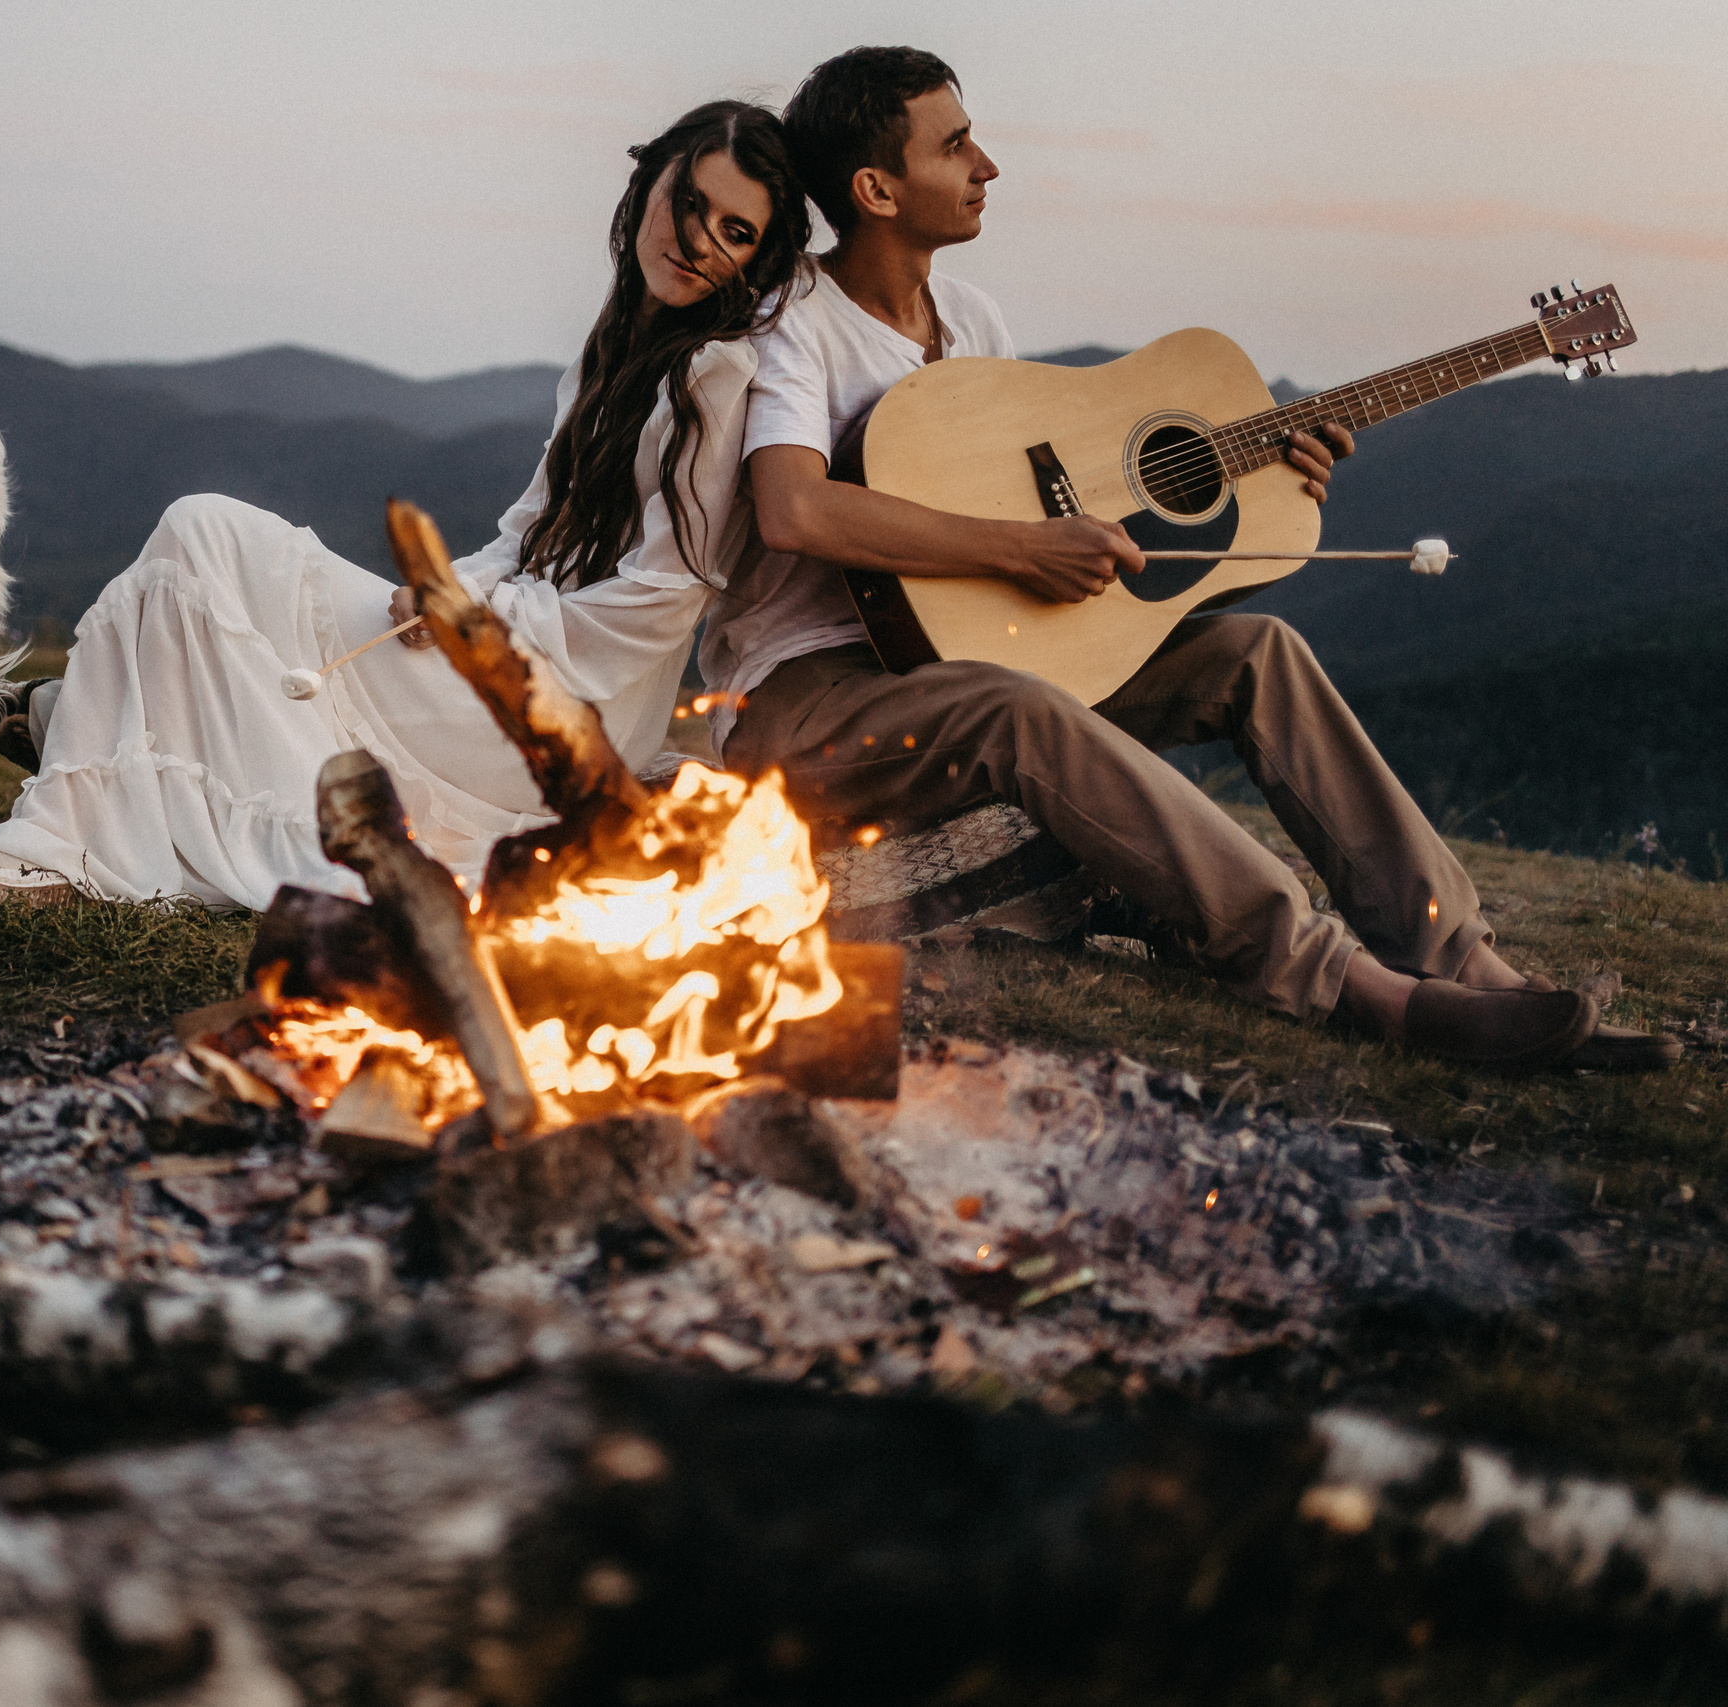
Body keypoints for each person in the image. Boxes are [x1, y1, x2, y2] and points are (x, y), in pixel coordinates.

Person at [701, 46, 1674, 1072]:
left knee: (1255, 649)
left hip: (968, 669)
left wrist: (1264, 480)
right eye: (955, 145)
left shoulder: (973, 323)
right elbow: (794, 511)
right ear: (875, 190)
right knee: (1017, 710)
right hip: (807, 706)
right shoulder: (794, 323)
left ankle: (1468, 967)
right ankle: (1350, 989)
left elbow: (1048, 531)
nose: (986, 165)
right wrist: (1026, 545)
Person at [0, 100, 813, 920]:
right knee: (208, 545)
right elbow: (525, 534)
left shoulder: (712, 374)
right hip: (498, 648)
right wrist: (446, 594)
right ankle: (70, 778)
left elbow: (660, 602)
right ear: (648, 188)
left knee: (207, 530)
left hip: (555, 709)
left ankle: (54, 834)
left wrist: (482, 626)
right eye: (691, 204)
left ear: (756, 262)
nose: (699, 241)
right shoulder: (612, 355)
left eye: (736, 233)